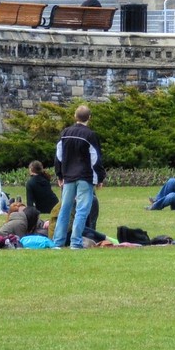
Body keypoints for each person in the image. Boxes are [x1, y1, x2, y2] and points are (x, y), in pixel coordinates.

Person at [53, 104, 103, 248]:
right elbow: (95, 159)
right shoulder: (90, 135)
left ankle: (58, 242)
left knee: (65, 209)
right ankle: (75, 242)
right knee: (82, 210)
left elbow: (58, 156)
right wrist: (99, 177)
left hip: (68, 176)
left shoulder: (65, 133)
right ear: (89, 118)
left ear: (75, 116)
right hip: (84, 177)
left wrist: (60, 175)